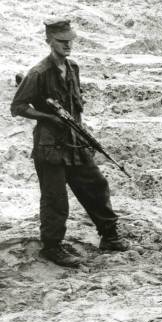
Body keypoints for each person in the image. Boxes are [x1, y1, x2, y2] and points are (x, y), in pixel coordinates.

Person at [10, 18, 128, 267]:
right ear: (49, 41)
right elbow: (17, 107)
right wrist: (48, 117)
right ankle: (52, 248)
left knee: (96, 185)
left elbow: (75, 106)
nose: (67, 46)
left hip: (75, 141)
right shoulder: (38, 73)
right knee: (55, 200)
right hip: (49, 146)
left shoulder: (73, 68)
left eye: (70, 41)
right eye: (61, 42)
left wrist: (82, 134)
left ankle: (109, 236)